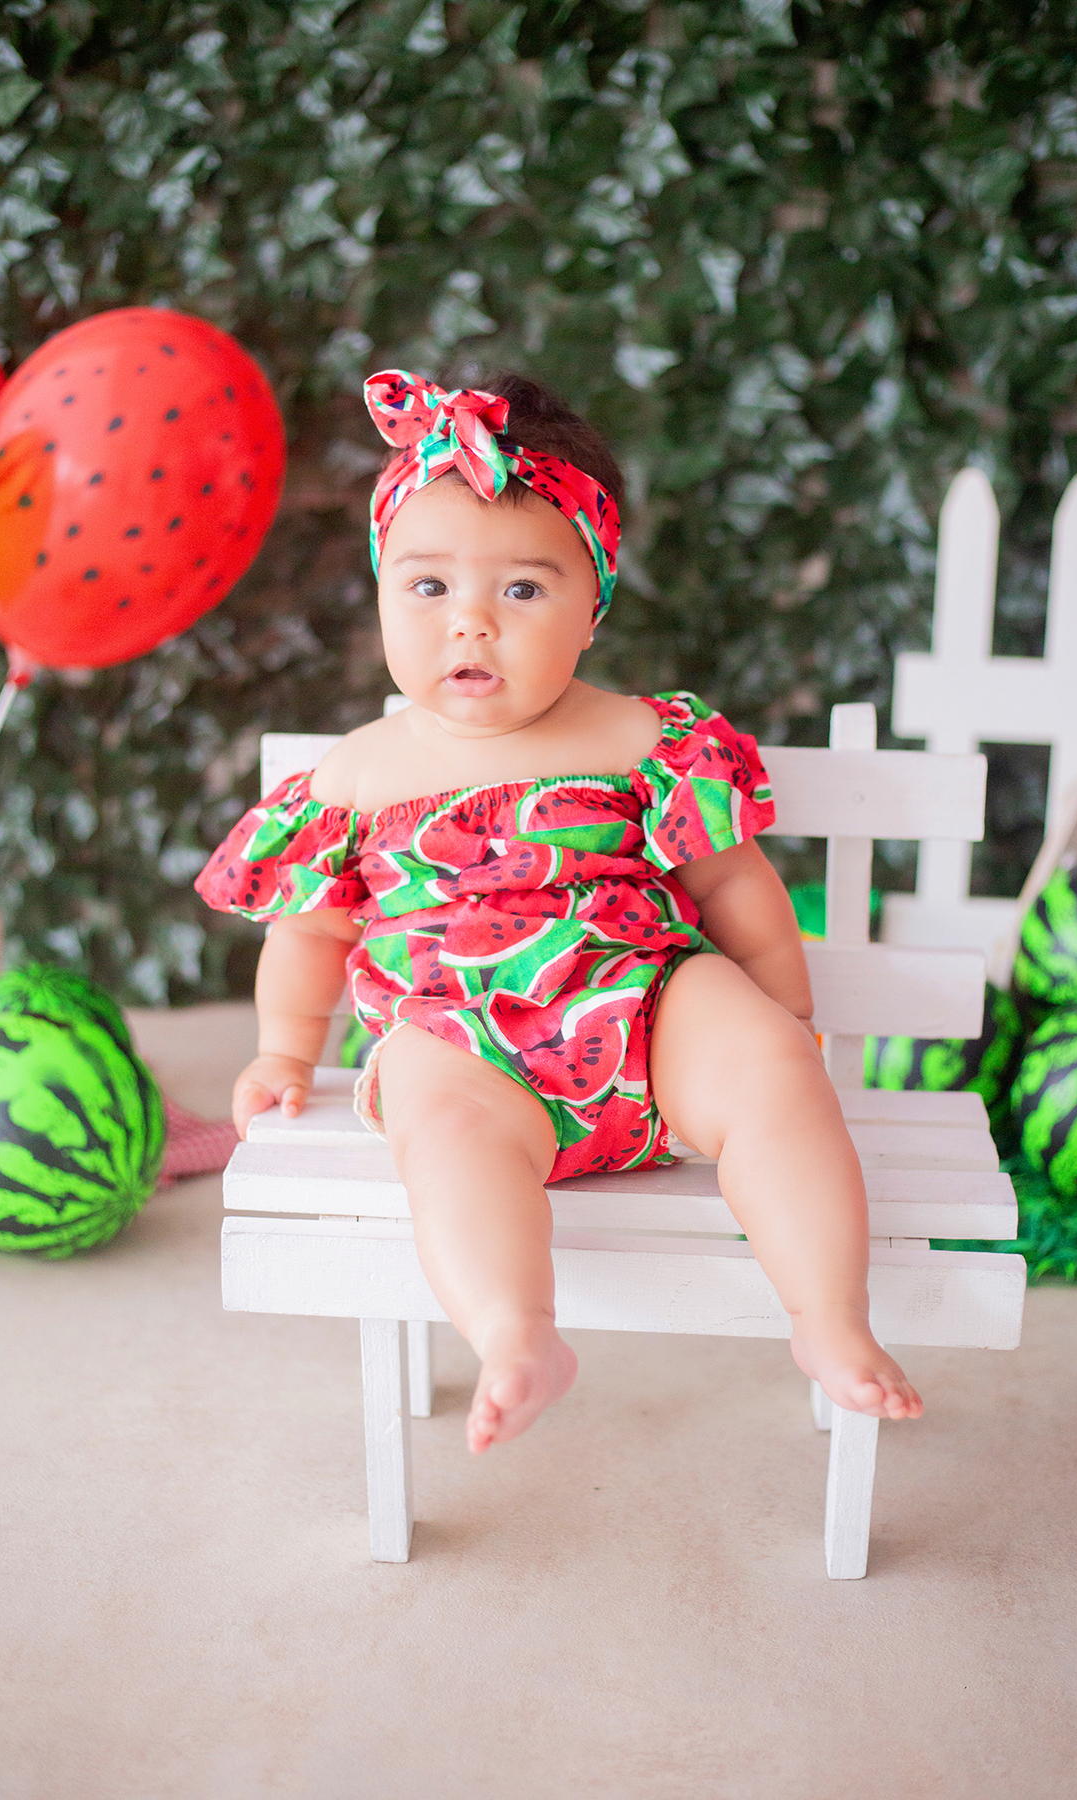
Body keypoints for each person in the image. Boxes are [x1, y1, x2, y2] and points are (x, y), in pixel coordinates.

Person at [196, 369, 923, 1454]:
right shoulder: (358, 774)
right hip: (464, 1044)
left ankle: (829, 1318)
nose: (471, 625)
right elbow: (310, 932)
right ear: (384, 595)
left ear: (594, 608)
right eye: (429, 587)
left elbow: (730, 884)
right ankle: (515, 1332)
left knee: (770, 1065)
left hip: (643, 1012)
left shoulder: (638, 738)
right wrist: (284, 1053)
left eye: (522, 592)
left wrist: (782, 1010)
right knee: (437, 1129)